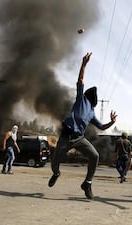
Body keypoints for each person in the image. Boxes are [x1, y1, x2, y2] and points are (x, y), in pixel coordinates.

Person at [48, 52, 117, 199]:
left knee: (95, 155)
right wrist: (84, 64)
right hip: (66, 136)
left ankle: (87, 183)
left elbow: (102, 127)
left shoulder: (92, 112)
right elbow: (80, 80)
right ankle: (56, 173)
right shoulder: (81, 98)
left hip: (79, 138)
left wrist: (112, 121)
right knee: (55, 161)